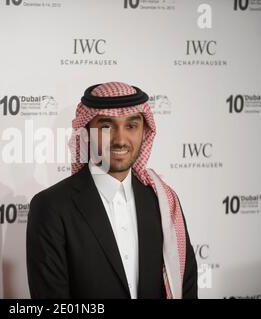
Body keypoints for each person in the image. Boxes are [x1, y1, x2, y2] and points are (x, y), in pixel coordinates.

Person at [26, 82, 198, 299]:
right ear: (86, 131)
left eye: (131, 126)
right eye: (107, 126)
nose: (120, 140)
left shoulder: (163, 201)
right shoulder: (52, 207)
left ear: (144, 132)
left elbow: (187, 284)